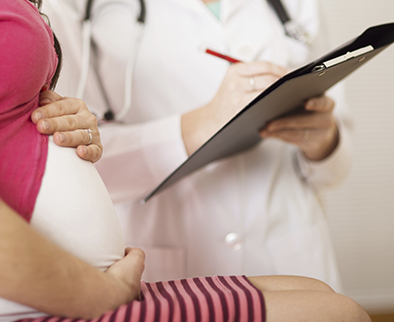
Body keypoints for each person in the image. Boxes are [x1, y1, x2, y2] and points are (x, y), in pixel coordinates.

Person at [0, 0, 369, 321]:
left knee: (327, 302)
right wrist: (203, 122)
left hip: (42, 276)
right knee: (332, 316)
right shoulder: (88, 8)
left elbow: (2, 111)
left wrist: (324, 141)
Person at [42, 0, 352, 291]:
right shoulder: (74, 7)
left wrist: (324, 140)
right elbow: (74, 154)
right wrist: (203, 124)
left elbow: (335, 171)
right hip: (168, 265)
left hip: (289, 255)